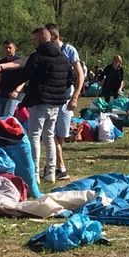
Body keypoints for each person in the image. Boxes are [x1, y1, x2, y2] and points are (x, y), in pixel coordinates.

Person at [0, 27, 74, 184]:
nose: (32, 43)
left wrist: (3, 86)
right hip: (56, 103)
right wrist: (59, 90)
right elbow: (71, 77)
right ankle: (50, 173)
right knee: (49, 136)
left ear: (41, 39)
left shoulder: (38, 57)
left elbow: (23, 75)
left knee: (34, 136)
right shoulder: (62, 57)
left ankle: (34, 174)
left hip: (40, 101)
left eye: (34, 40)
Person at [45, 23, 85, 181]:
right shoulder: (46, 52)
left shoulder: (69, 50)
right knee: (50, 133)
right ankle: (60, 166)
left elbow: (80, 75)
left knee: (60, 135)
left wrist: (75, 96)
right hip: (50, 97)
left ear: (54, 37)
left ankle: (52, 164)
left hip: (66, 97)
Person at [0, 40, 25, 117]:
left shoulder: (19, 62)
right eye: (5, 48)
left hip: (13, 95)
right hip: (2, 94)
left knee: (8, 117)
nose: (8, 50)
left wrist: (16, 91)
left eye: (10, 48)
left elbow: (24, 79)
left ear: (15, 48)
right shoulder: (1, 62)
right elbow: (0, 77)